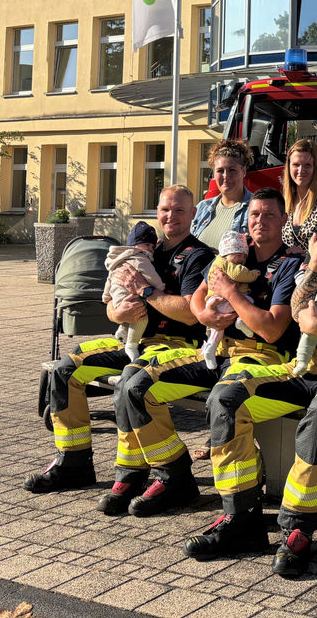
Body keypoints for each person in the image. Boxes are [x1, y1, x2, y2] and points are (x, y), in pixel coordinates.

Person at [184, 185, 317, 568]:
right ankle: (241, 518)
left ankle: (297, 527)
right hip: (299, 366)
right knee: (226, 398)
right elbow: (296, 310)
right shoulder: (311, 260)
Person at [99, 188, 298, 518]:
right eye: (255, 215)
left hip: (262, 358)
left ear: (284, 220)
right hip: (218, 354)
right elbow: (199, 297)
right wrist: (204, 314)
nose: (260, 221)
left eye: (270, 215)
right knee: (135, 384)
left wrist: (231, 294)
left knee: (224, 401)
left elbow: (271, 329)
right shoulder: (236, 252)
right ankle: (173, 473)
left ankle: (241, 512)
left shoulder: (290, 263)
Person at [26, 185, 214, 496]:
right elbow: (112, 303)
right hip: (135, 342)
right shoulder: (143, 251)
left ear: (193, 214)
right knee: (65, 369)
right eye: (166, 209)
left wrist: (146, 291)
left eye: (180, 210)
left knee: (134, 382)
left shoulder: (200, 256)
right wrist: (117, 311)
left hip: (179, 347)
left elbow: (189, 314)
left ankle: (169, 472)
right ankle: (74, 463)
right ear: (157, 212)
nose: (171, 216)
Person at [103, 221, 166, 363]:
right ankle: (131, 345)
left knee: (130, 313)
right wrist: (160, 286)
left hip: (118, 298)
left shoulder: (117, 260)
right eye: (147, 245)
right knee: (141, 317)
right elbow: (151, 275)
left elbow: (110, 279)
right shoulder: (140, 258)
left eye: (153, 246)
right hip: (131, 296)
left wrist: (106, 296)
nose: (151, 249)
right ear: (135, 246)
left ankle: (123, 330)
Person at [199, 230, 259, 369]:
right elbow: (239, 274)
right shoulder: (224, 263)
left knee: (218, 329)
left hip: (215, 301)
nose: (241, 260)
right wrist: (253, 274)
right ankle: (241, 322)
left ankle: (210, 348)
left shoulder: (219, 262)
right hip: (222, 300)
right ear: (226, 253)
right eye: (238, 255)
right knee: (248, 303)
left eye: (244, 257)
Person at [192, 139, 254, 250]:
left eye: (232, 170)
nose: (226, 176)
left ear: (243, 171)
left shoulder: (255, 209)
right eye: (220, 170)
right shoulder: (202, 208)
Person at [281, 139, 317, 253]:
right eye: (296, 165)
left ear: (316, 168)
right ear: (288, 166)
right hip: (288, 269)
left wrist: (305, 255)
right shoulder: (283, 203)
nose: (301, 170)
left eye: (307, 165)